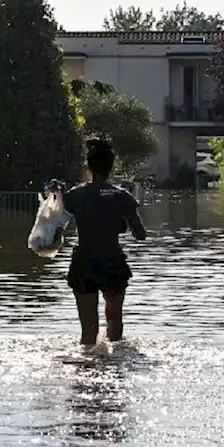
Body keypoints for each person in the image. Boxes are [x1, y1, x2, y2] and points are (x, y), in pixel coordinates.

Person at [61, 134, 147, 345]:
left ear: (88, 167)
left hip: (84, 264)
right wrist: (123, 223)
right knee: (114, 325)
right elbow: (141, 235)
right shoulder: (122, 196)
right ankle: (114, 365)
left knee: (88, 333)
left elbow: (56, 222)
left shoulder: (75, 195)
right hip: (112, 263)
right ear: (111, 166)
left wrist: (59, 193)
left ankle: (88, 368)